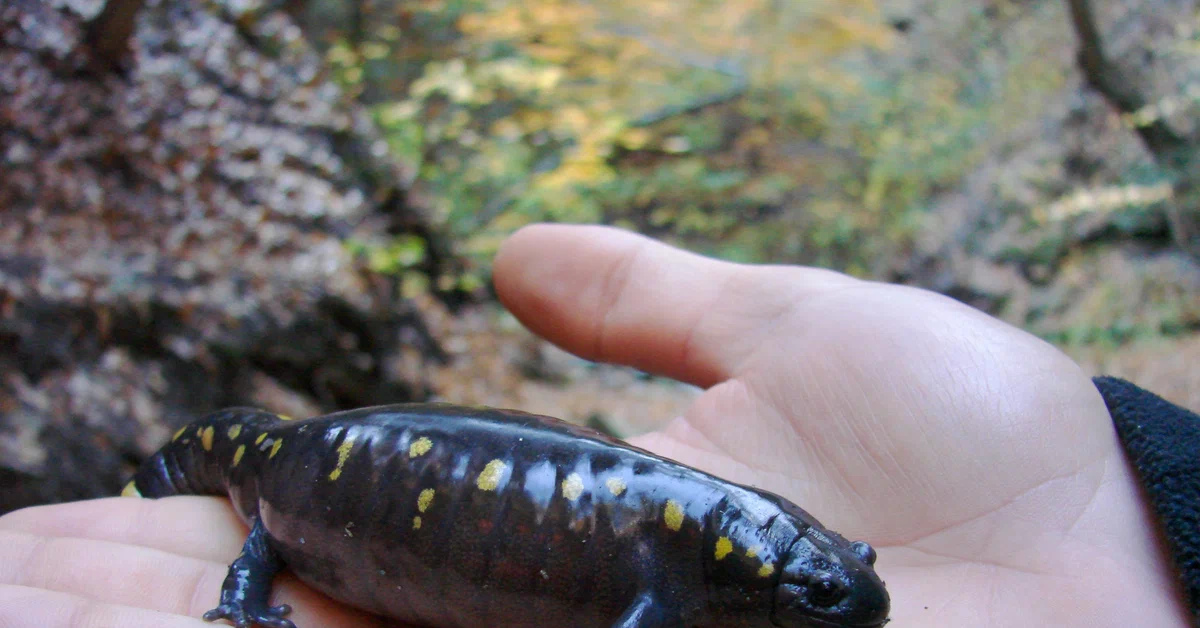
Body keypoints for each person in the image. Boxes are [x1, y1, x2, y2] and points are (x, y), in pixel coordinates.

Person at [0, 224, 1191, 627]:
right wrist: (246, 578)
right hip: (299, 482)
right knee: (260, 498)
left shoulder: (694, 556)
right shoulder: (682, 567)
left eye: (839, 578)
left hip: (330, 458)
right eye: (830, 591)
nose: (850, 597)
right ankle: (201, 509)